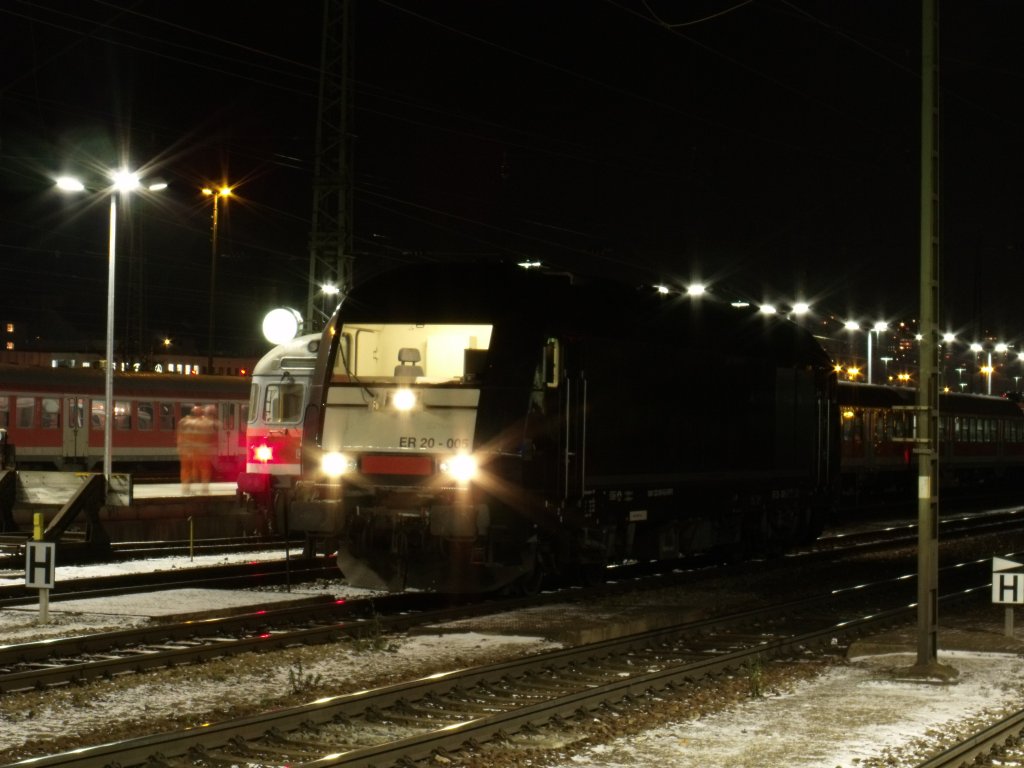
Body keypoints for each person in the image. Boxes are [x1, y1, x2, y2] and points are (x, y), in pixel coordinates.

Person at [193, 404, 221, 493]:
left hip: (199, 449)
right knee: (205, 469)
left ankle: (198, 485)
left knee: (199, 468)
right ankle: (204, 487)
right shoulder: (210, 423)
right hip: (205, 450)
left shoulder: (198, 422)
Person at [176, 405, 203, 493]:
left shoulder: (183, 421)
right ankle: (187, 487)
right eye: (199, 413)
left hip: (186, 449)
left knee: (186, 469)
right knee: (191, 469)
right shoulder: (195, 423)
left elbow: (179, 435)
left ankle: (186, 487)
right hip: (191, 449)